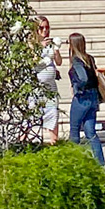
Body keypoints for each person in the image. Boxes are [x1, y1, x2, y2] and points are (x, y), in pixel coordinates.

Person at [65, 32, 105, 167]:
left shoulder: (76, 60)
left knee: (74, 130)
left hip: (82, 98)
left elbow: (83, 78)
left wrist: (76, 87)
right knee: (91, 132)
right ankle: (100, 164)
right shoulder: (89, 58)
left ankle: (72, 162)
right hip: (94, 97)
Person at [34, 16, 63, 144]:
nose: (45, 30)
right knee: (31, 115)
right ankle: (23, 144)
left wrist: (56, 50)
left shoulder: (50, 43)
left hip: (50, 87)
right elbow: (30, 61)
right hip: (35, 87)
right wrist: (40, 46)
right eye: (41, 28)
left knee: (53, 114)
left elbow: (59, 62)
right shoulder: (31, 43)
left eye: (47, 27)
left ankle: (54, 143)